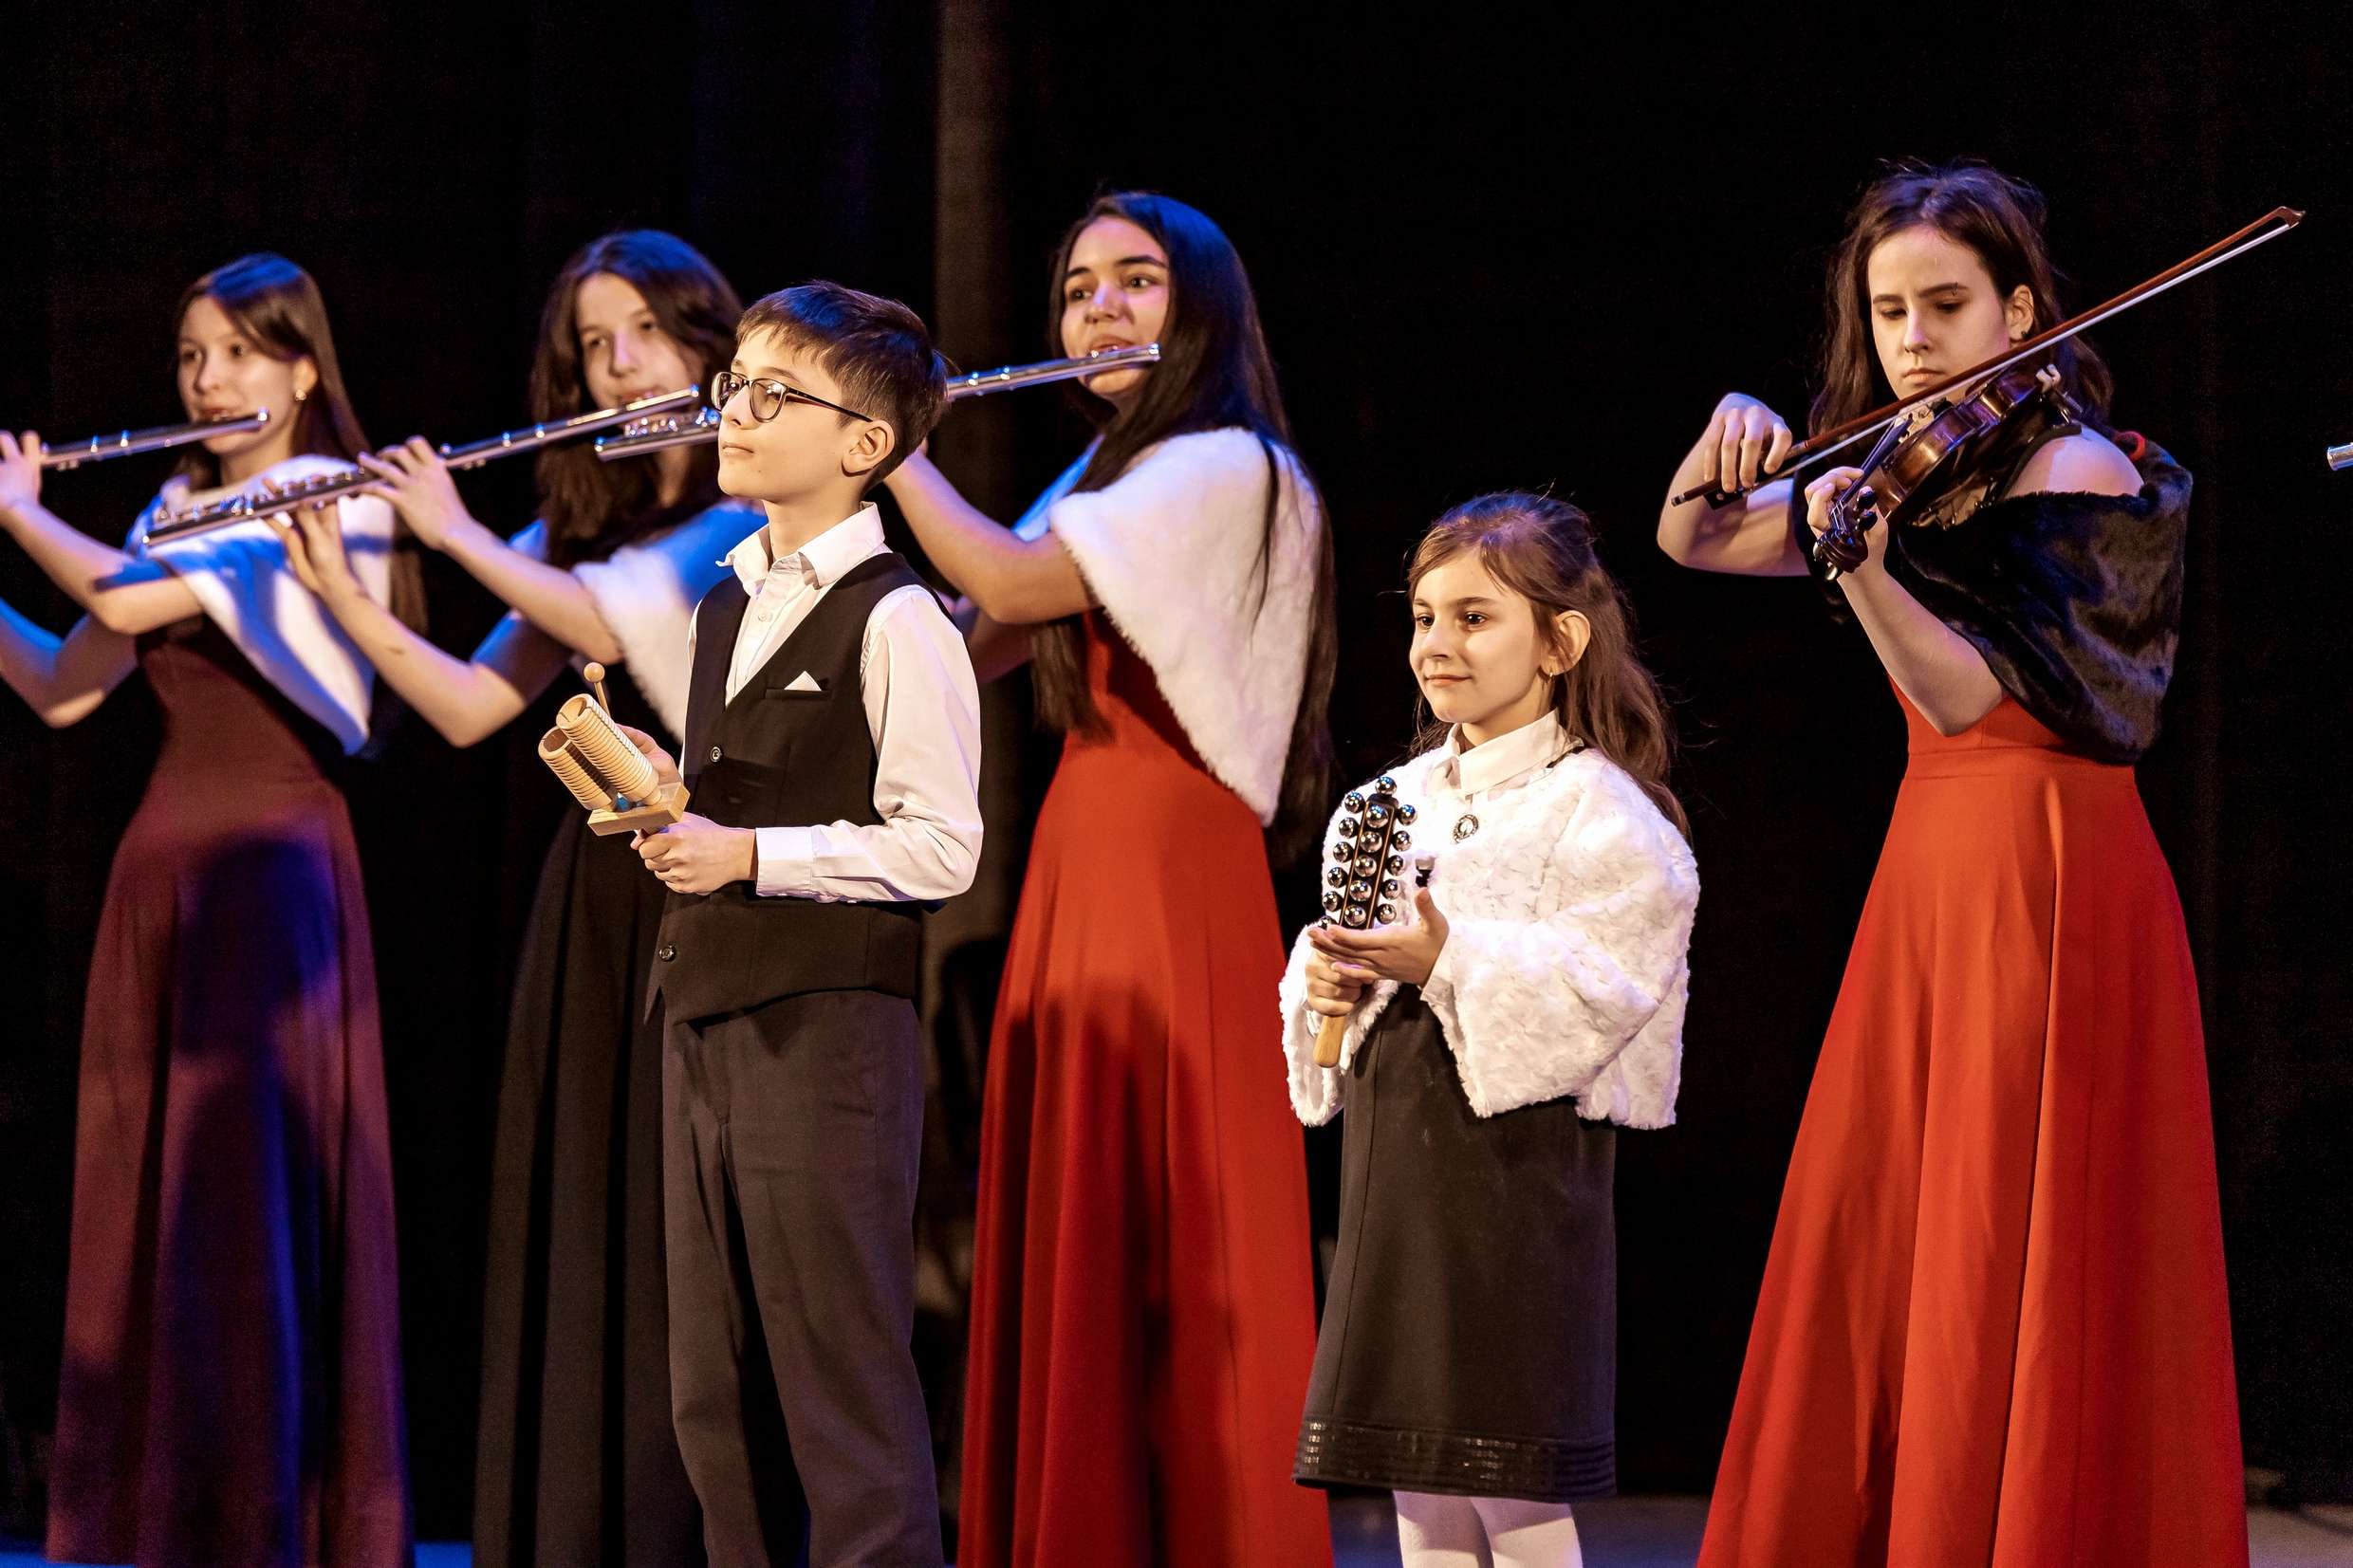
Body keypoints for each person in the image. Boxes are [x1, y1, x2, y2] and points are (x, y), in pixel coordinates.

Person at [1656, 160, 2245, 1567]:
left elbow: (1972, 697)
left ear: (2020, 312)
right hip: (1931, 867)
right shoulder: (1916, 475)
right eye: (1888, 313)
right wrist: (1730, 433)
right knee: (1903, 1212)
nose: (1912, 340)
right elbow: (1690, 537)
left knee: (2013, 1222)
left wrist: (1857, 564)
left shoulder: (2080, 471)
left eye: (1945, 305)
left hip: (2048, 869)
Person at [270, 230, 752, 1566]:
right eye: (594, 346)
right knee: (596, 1207)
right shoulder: (573, 531)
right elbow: (472, 704)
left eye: (644, 332)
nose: (620, 365)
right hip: (594, 898)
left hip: (708, 882)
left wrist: (452, 530)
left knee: (683, 1220)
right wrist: (344, 595)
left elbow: (610, 622)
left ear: (705, 342)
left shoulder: (748, 506)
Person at [881, 190, 1336, 1566]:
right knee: (1086, 1207)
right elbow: (971, 630)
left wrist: (890, 446)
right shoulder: (1109, 475)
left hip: (1167, 861)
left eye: (1136, 281)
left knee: (1173, 1205)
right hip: (1089, 850)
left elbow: (1017, 587)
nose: (1099, 311)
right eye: (1079, 291)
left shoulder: (1227, 465)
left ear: (1202, 306)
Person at [0, 252, 413, 1567]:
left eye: (238, 352)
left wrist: (16, 513)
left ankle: (260, 1514)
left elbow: (121, 595)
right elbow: (66, 683)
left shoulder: (325, 495)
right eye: (190, 356)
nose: (207, 380)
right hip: (164, 867)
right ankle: (166, 1509)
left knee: (245, 1195)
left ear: (302, 367)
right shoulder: (179, 501)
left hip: (270, 867)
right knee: (160, 1186)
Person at [625, 280, 981, 1568]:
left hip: (826, 1034)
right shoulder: (725, 600)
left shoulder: (898, 616)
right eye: (736, 386)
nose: (737, 411)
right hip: (707, 1013)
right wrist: (668, 798)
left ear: (864, 443)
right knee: (715, 1391)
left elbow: (942, 844)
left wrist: (751, 854)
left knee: (838, 1382)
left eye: (776, 395)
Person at [1282, 490, 1697, 1568]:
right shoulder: (1382, 804)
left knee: (1512, 1484)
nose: (1436, 644)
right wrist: (1321, 988)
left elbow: (1610, 987)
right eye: (1424, 617)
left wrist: (1446, 960)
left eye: (1473, 618)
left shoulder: (1605, 814)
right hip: (1397, 1162)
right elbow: (1339, 968)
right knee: (1420, 1483)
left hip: (1517, 1175)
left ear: (1559, 642)